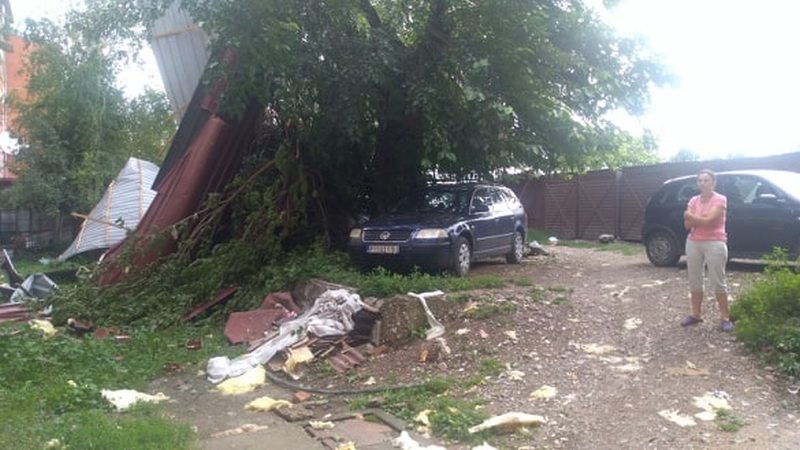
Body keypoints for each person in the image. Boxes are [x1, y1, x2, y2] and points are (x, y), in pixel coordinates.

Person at [681, 169, 734, 331]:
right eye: (700, 180)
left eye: (706, 180)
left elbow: (708, 221)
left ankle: (725, 317)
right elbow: (686, 225)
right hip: (693, 243)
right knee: (694, 279)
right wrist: (696, 219)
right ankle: (696, 314)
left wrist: (691, 217)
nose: (703, 183)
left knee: (718, 280)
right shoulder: (693, 200)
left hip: (715, 243)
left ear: (713, 182)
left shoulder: (720, 199)